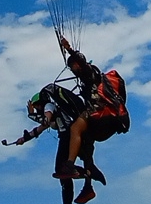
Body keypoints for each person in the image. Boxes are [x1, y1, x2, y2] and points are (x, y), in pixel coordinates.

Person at [7, 82, 104, 204]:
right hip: (72, 137)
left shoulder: (49, 105)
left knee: (61, 170)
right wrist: (24, 139)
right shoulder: (55, 110)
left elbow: (45, 121)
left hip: (68, 137)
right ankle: (71, 203)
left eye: (36, 107)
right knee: (63, 175)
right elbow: (40, 128)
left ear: (39, 103)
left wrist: (31, 115)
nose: (36, 109)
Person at [53, 37, 127, 180]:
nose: (72, 70)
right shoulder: (91, 78)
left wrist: (69, 49)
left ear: (76, 64)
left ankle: (69, 165)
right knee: (85, 141)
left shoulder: (89, 72)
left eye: (72, 67)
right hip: (105, 117)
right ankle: (89, 178)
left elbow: (83, 65)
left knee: (75, 129)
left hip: (100, 111)